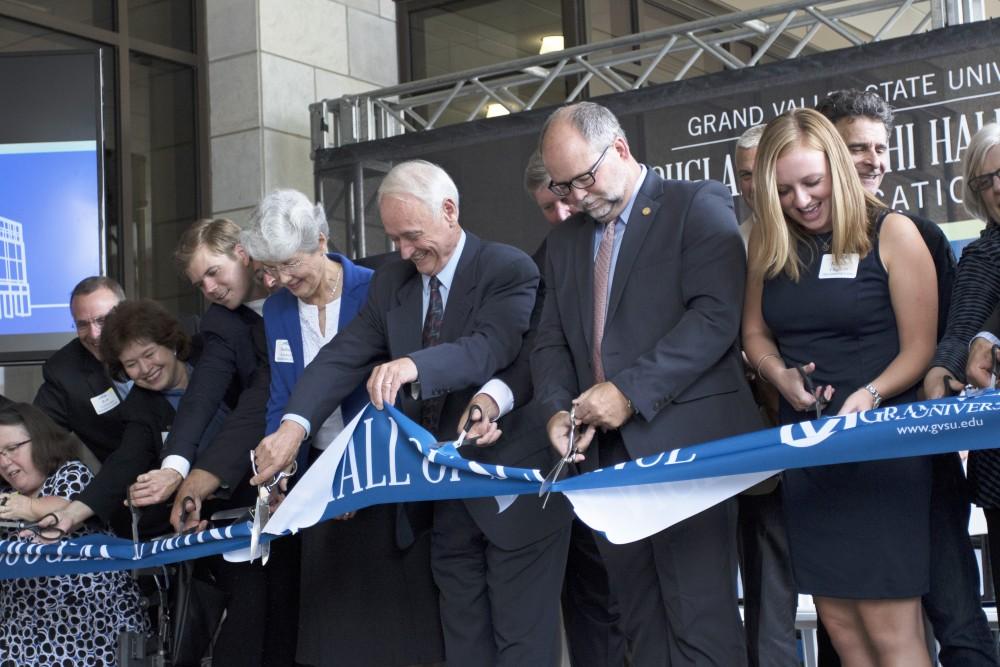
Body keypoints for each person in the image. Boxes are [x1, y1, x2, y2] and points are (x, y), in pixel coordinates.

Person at [252, 162, 572, 666]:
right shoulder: (392, 283)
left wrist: (410, 366)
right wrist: (294, 427)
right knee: (462, 643)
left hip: (512, 492)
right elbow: (341, 357)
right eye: (394, 238)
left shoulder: (507, 268)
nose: (402, 251)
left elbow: (489, 346)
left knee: (521, 645)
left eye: (411, 236)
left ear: (449, 211)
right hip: (441, 499)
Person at [532, 101, 762, 666]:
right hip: (606, 462)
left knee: (700, 625)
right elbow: (550, 342)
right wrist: (559, 411)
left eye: (583, 179)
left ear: (621, 148)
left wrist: (628, 391)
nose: (576, 198)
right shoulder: (564, 243)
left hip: (689, 451)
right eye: (563, 188)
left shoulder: (696, 204)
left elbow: (714, 318)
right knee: (637, 623)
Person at [743, 108, 937, 665]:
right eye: (783, 190)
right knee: (842, 630)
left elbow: (921, 347)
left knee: (892, 632)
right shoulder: (768, 240)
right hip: (809, 451)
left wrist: (870, 394)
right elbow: (754, 332)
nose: (800, 200)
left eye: (811, 182)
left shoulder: (893, 231)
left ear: (839, 168)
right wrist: (776, 373)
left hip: (880, 449)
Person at [817, 89, 994, 667]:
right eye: (855, 147)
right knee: (849, 630)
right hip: (840, 466)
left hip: (922, 458)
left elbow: (950, 339)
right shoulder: (796, 245)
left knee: (958, 619)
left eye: (880, 147)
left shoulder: (920, 233)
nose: (872, 160)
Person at [242, 188, 444, 667]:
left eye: (290, 264)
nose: (281, 278)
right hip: (317, 482)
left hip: (379, 476)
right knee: (331, 633)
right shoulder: (276, 309)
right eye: (270, 268)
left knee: (393, 631)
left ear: (322, 242)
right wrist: (278, 469)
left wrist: (349, 478)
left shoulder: (378, 286)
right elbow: (283, 394)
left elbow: (397, 395)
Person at [0, 402, 148, 665]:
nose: (5, 461)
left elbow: (69, 509)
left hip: (82, 621)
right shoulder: (6, 498)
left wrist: (29, 507)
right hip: (19, 627)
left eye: (12, 449)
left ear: (41, 440)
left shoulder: (72, 473)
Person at [52, 299, 211, 538]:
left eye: (149, 354)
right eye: (131, 364)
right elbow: (125, 461)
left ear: (171, 344)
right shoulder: (140, 404)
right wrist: (70, 514)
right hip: (198, 516)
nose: (145, 368)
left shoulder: (212, 362)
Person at [732, 123, 800, 667]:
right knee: (767, 584)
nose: (755, 184)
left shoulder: (822, 234)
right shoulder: (730, 242)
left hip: (824, 432)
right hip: (755, 439)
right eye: (745, 176)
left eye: (763, 172)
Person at [933, 123, 1000, 607]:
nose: (998, 186)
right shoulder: (983, 255)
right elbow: (959, 334)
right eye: (985, 180)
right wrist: (942, 370)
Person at [34, 276, 128, 463]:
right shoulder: (65, 370)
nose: (94, 334)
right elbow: (36, 433)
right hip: (128, 482)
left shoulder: (163, 340)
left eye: (102, 320)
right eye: (83, 324)